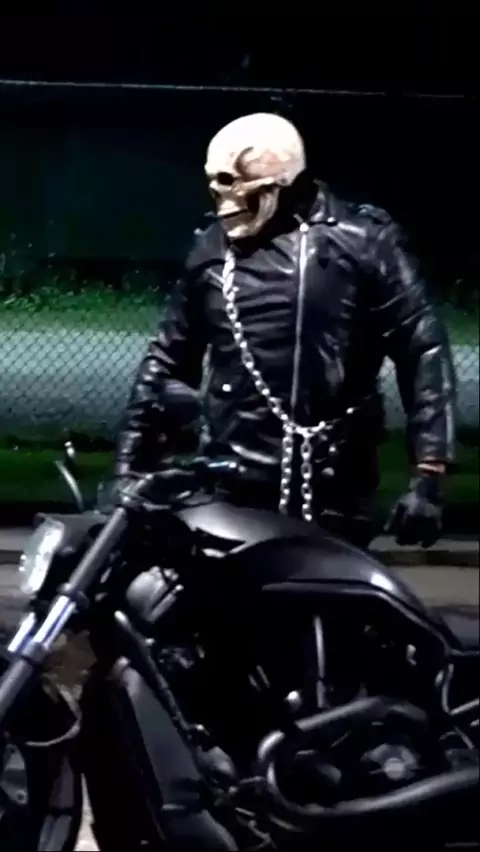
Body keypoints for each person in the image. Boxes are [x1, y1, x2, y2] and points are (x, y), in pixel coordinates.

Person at [114, 112, 456, 550]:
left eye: (236, 185)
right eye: (215, 184)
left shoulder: (364, 242)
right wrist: (128, 467)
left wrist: (429, 473)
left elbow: (422, 347)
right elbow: (166, 360)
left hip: (336, 487)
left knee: (327, 589)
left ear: (284, 182)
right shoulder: (212, 248)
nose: (223, 200)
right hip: (231, 485)